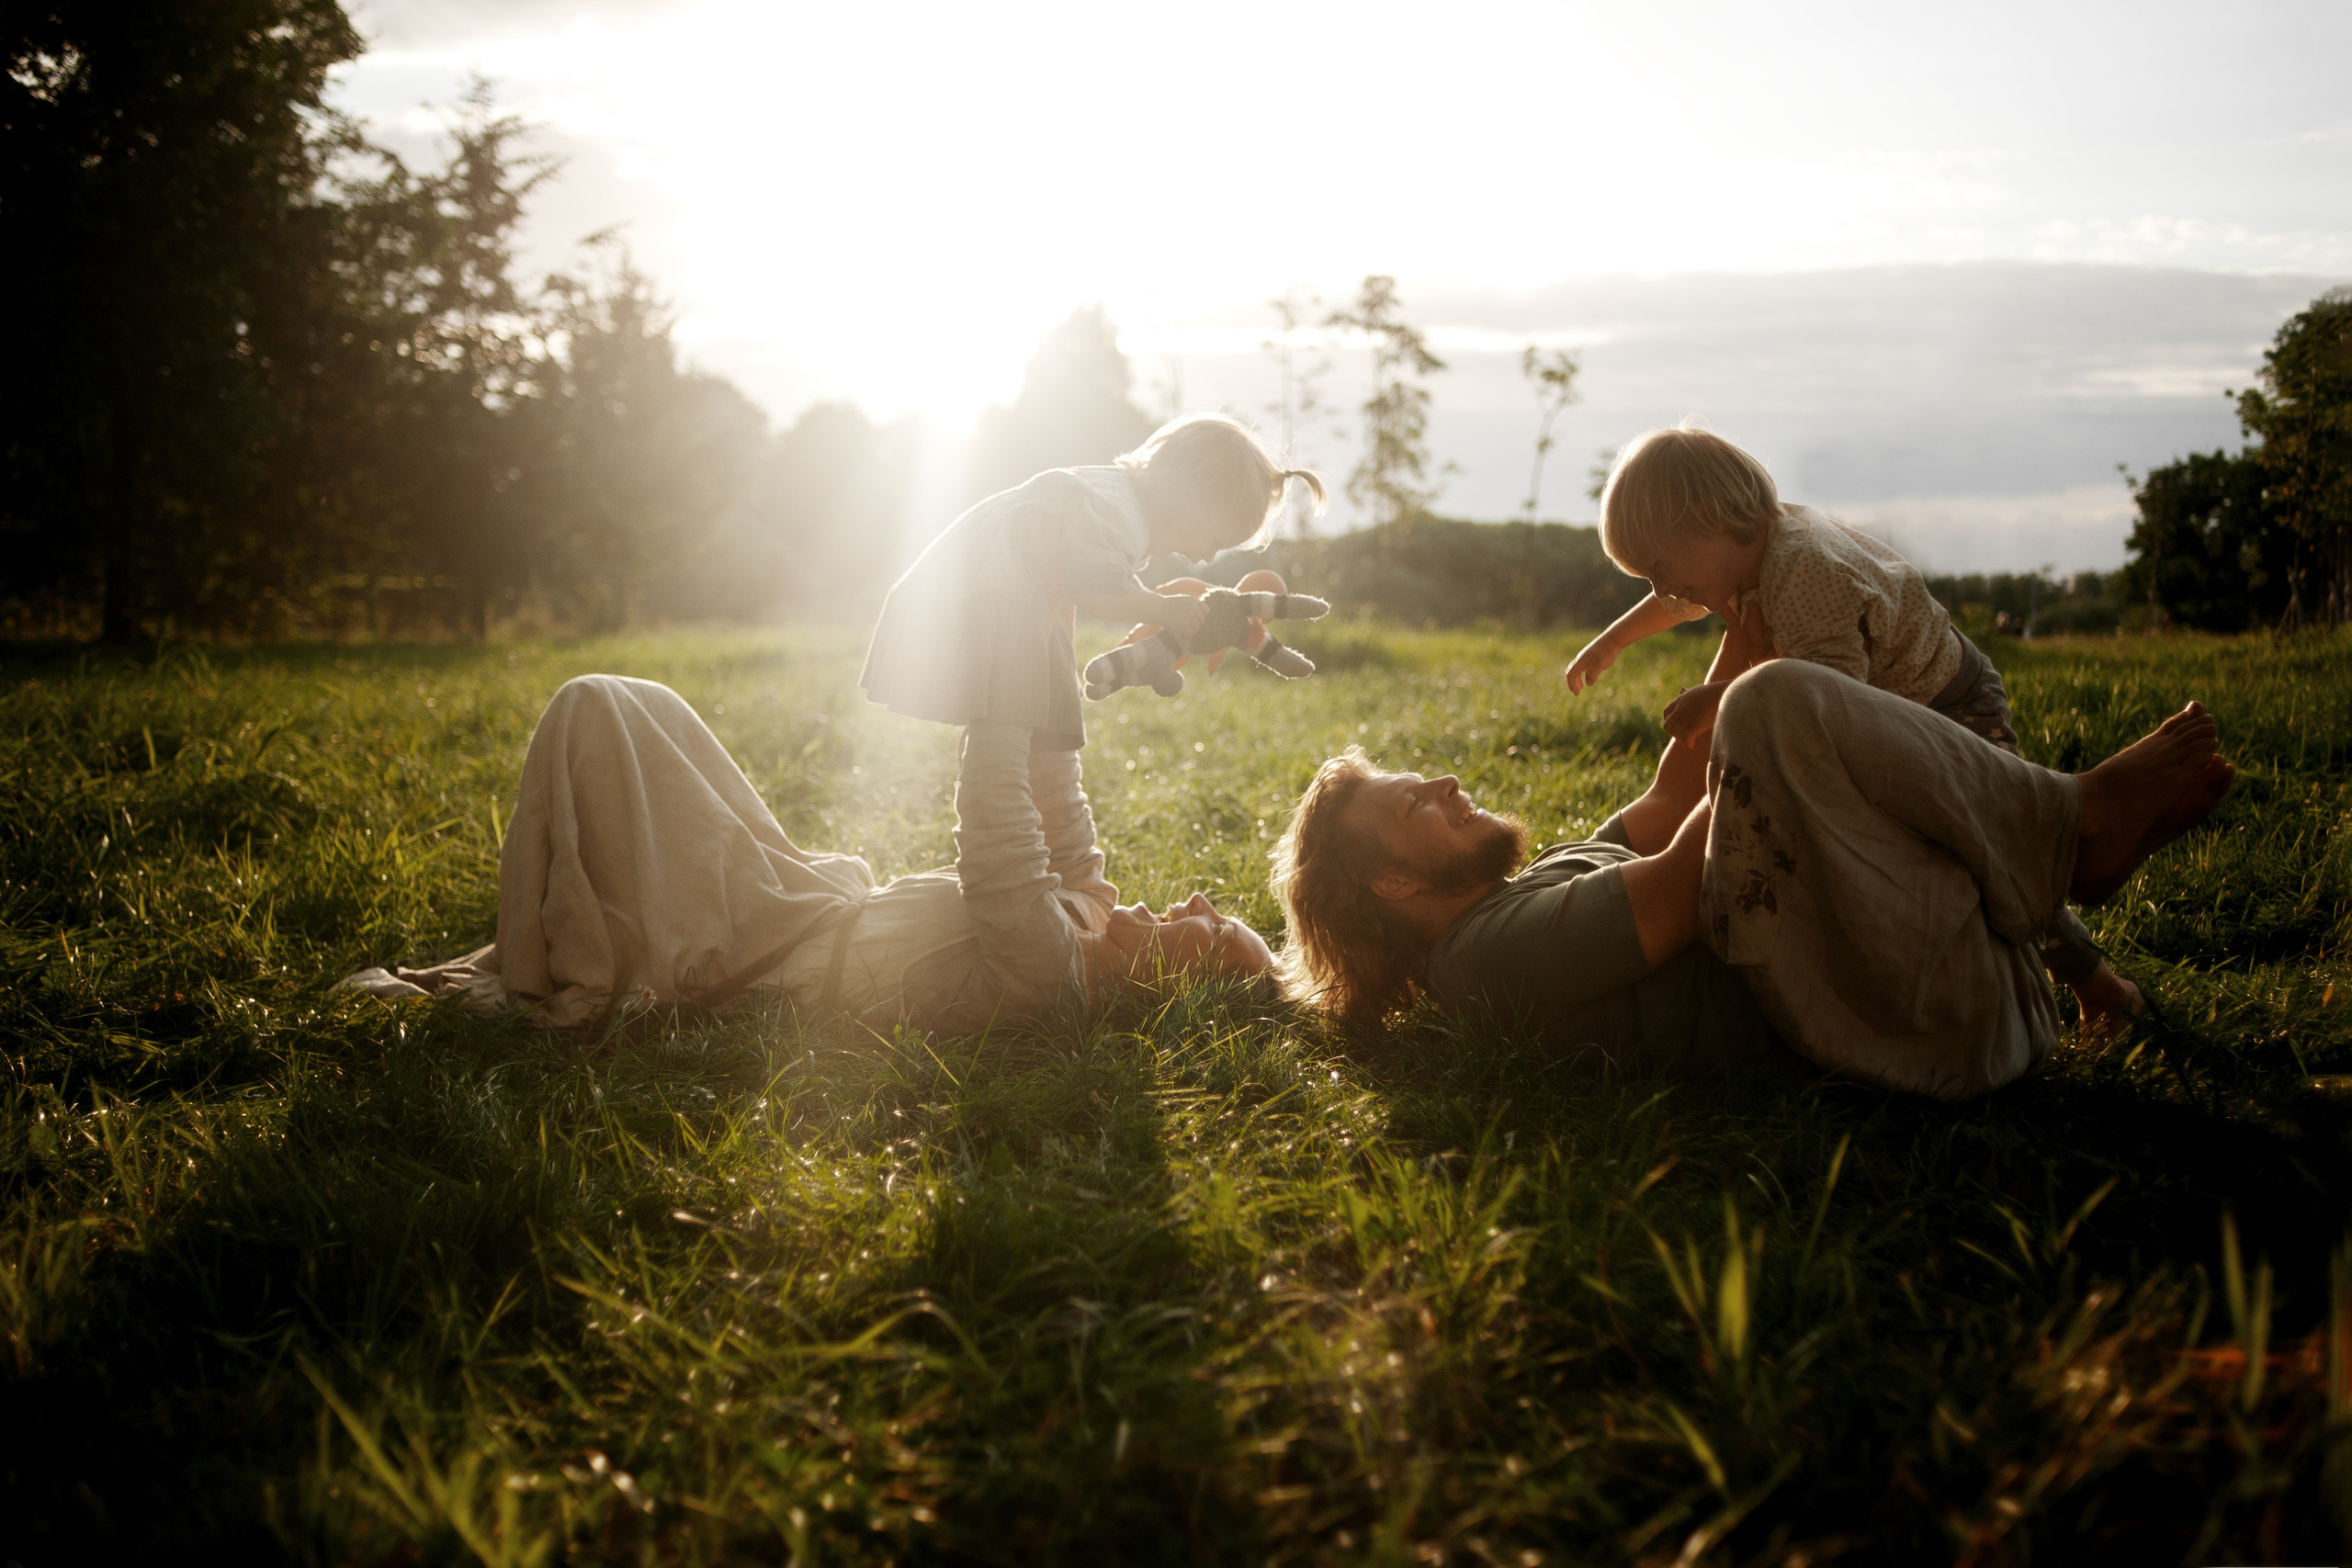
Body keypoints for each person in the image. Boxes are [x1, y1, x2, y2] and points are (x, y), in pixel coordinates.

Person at [1272, 659, 2233, 1101]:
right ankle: (2076, 822)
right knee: (1773, 709)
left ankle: (2082, 945)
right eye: (1413, 808)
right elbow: (1686, 875)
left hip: (1974, 982)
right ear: (1393, 887)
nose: (1443, 784)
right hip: (1929, 1028)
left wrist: (1744, 594)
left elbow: (1674, 785)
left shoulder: (1530, 893)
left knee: (1787, 730)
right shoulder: (1482, 960)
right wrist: (1752, 715)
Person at [1559, 423, 2136, 1029]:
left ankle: (2099, 983)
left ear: (1709, 518)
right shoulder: (1746, 547)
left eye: (1658, 566)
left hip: (1949, 709)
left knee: (1993, 852)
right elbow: (1683, 597)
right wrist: (1612, 640)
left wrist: (1719, 697)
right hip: (1893, 714)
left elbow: (1826, 691)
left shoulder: (1803, 571)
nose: (1662, 589)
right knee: (1938, 855)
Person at [347, 674, 1272, 1032]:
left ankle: (509, 975)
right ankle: (510, 959)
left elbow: (996, 811)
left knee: (596, 714)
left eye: (1211, 927)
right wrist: (1087, 646)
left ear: (1180, 995)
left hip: (769, 945)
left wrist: (1007, 667)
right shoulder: (1089, 910)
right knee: (641, 709)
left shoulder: (1053, 973)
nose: (1195, 899)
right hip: (799, 893)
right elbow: (1051, 781)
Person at [858, 412, 1325, 753]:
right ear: (1189, 495)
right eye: (1217, 539)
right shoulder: (1116, 514)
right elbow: (1093, 587)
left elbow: (1069, 587)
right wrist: (1161, 611)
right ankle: (1004, 831)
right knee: (1006, 724)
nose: (1206, 557)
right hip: (973, 595)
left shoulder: (1118, 500)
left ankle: (1046, 821)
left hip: (984, 590)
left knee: (1036, 709)